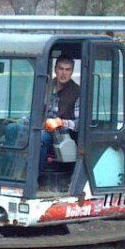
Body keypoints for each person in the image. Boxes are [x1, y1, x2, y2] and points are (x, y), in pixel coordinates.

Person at [39, 57, 80, 186]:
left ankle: (35, 177)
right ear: (55, 69)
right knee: (13, 129)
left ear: (72, 72)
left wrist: (60, 122)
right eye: (61, 69)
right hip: (41, 126)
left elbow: (79, 123)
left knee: (40, 138)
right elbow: (36, 111)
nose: (64, 73)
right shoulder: (46, 87)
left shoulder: (77, 92)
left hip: (61, 134)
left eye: (68, 70)